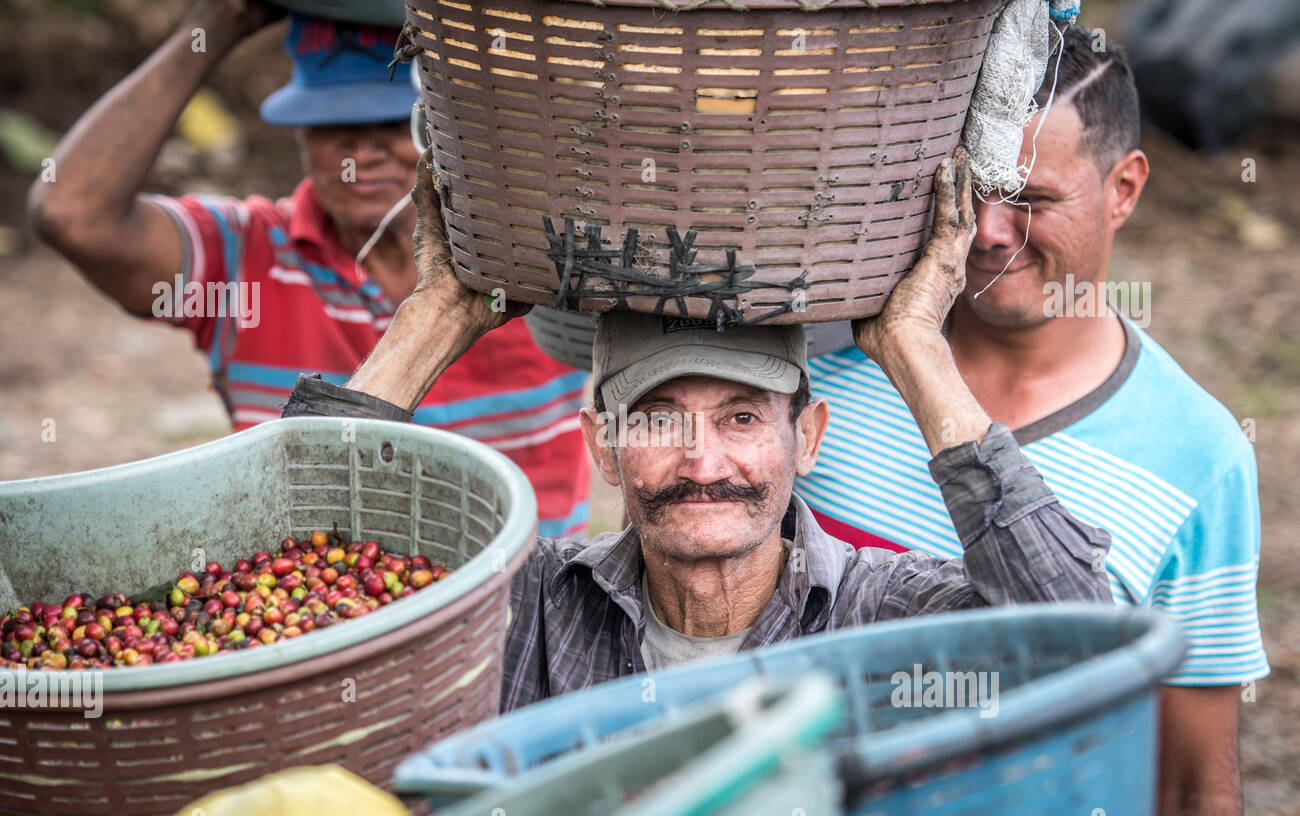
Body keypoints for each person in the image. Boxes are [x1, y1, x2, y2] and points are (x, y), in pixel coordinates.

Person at [282, 145, 1113, 707]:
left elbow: (1089, 641)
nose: (702, 459)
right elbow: (299, 576)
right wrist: (434, 316)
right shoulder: (533, 602)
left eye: (743, 417)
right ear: (601, 445)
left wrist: (914, 348)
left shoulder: (883, 614)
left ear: (808, 437)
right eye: (656, 420)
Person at [792, 26, 1268, 816]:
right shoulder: (824, 368)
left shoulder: (1201, 457)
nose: (988, 231)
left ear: (1124, 188)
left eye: (1033, 200)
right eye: (972, 189)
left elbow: (1193, 783)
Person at [26, 3, 591, 537]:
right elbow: (71, 215)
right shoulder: (246, 259)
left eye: (391, 125)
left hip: (521, 616)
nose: (361, 154)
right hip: (322, 614)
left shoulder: (533, 255)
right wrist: (221, 20)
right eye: (331, 129)